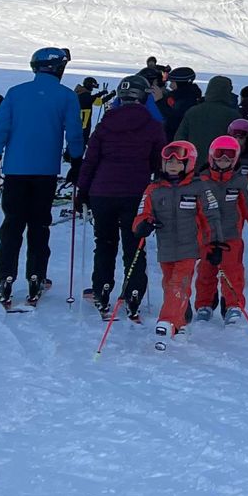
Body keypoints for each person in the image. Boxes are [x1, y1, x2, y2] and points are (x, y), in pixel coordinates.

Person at [0, 48, 84, 308]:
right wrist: (77, 161)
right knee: (39, 226)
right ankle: (35, 278)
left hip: (15, 170)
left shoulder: (16, 93)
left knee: (12, 225)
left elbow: (1, 129)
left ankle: (4, 279)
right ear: (58, 69)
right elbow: (74, 132)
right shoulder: (66, 96)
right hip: (45, 172)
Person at [76, 74, 165, 318]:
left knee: (104, 243)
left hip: (102, 192)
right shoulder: (153, 126)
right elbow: (159, 162)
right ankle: (134, 292)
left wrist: (82, 192)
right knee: (134, 245)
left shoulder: (105, 124)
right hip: (135, 194)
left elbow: (90, 161)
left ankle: (102, 289)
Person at [133, 140, 225, 346]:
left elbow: (211, 216)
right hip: (166, 247)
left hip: (189, 247)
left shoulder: (198, 187)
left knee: (179, 284)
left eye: (178, 162)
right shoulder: (154, 189)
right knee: (169, 284)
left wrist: (216, 243)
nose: (172, 166)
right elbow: (142, 212)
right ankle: (180, 323)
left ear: (189, 164)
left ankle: (166, 321)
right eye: (169, 163)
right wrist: (142, 225)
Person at [196, 135, 248, 325]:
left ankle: (233, 305)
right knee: (206, 271)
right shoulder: (201, 181)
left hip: (231, 236)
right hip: (207, 236)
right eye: (219, 155)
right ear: (212, 156)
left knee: (232, 271)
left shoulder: (239, 181)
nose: (223, 160)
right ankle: (204, 304)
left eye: (229, 157)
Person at [177, 74, 242, 162]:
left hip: (193, 164)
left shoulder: (193, 111)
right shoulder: (233, 115)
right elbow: (239, 143)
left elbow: (180, 138)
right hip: (221, 164)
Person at [157, 66, 201, 140]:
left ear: (181, 83)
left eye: (173, 82)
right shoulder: (189, 95)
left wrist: (159, 101)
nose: (170, 86)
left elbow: (174, 121)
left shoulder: (186, 100)